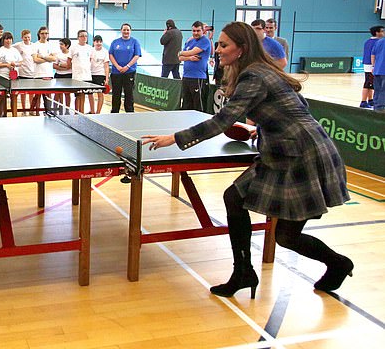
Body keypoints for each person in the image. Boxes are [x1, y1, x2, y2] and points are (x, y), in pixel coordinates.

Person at [142, 21, 353, 298]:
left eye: (224, 45)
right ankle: (243, 271)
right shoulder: (263, 71)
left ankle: (338, 263)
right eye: (218, 44)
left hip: (301, 155)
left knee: (286, 236)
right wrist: (262, 129)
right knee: (235, 198)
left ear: (242, 49)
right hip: (283, 150)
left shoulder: (254, 76)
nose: (217, 49)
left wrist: (175, 138)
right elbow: (296, 109)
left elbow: (223, 120)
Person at [179, 21, 212, 112]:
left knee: (198, 106)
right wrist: (189, 58)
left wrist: (181, 52)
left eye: (198, 31)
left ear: (202, 31)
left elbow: (192, 52)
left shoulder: (205, 41)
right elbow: (180, 58)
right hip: (186, 77)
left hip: (197, 78)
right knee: (186, 105)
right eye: (194, 31)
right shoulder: (190, 41)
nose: (195, 33)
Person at [109, 23, 141, 113]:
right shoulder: (115, 42)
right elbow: (111, 55)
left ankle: (130, 113)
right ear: (121, 31)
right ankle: (114, 112)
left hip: (129, 72)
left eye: (128, 30)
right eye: (124, 29)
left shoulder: (135, 42)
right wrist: (117, 66)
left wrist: (127, 66)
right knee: (116, 94)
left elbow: (137, 55)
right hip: (116, 72)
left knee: (129, 94)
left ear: (130, 31)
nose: (126, 31)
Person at [0, 31, 22, 116]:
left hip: (14, 78)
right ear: (3, 40)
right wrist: (6, 65)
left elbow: (21, 62)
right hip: (2, 77)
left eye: (10, 39)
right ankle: (1, 114)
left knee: (14, 97)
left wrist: (15, 64)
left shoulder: (15, 51)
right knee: (2, 98)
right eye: (6, 39)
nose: (8, 41)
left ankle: (14, 115)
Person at [32, 26, 56, 115]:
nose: (44, 35)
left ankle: (48, 111)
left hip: (49, 74)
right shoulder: (35, 45)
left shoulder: (51, 45)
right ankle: (36, 111)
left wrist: (42, 56)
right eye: (42, 33)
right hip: (38, 74)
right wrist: (48, 58)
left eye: (46, 33)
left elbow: (54, 59)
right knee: (37, 95)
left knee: (48, 95)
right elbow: (35, 60)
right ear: (39, 34)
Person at [360, 25, 384, 108]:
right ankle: (363, 101)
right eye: (381, 31)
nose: (383, 33)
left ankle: (370, 100)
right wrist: (374, 66)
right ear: (377, 33)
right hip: (371, 65)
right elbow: (373, 55)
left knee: (370, 84)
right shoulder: (378, 42)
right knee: (367, 83)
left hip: (368, 65)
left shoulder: (368, 41)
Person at [14, 29, 36, 115]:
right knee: (23, 93)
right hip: (22, 72)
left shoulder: (34, 46)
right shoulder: (18, 45)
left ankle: (31, 109)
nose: (27, 39)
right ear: (22, 37)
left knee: (32, 93)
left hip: (32, 72)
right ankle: (23, 110)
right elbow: (9, 48)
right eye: (25, 37)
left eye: (28, 37)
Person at [91, 35, 110, 114]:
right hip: (90, 74)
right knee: (89, 94)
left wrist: (106, 78)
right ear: (94, 42)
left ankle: (98, 112)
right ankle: (92, 111)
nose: (98, 43)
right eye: (96, 41)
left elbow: (106, 66)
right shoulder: (91, 50)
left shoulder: (105, 51)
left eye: (100, 42)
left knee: (100, 94)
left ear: (102, 42)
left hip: (100, 75)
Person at [53, 38, 72, 109]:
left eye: (62, 44)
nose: (60, 46)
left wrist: (61, 64)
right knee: (57, 94)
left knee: (67, 94)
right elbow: (54, 65)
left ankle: (67, 109)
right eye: (60, 44)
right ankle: (55, 109)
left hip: (68, 76)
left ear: (67, 46)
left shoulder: (71, 54)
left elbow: (70, 66)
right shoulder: (58, 54)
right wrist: (62, 67)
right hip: (58, 75)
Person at [371, 32, 385, 113]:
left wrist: (373, 66)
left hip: (377, 70)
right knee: (383, 90)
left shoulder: (378, 42)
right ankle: (381, 108)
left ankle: (376, 107)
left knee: (377, 89)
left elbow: (372, 55)